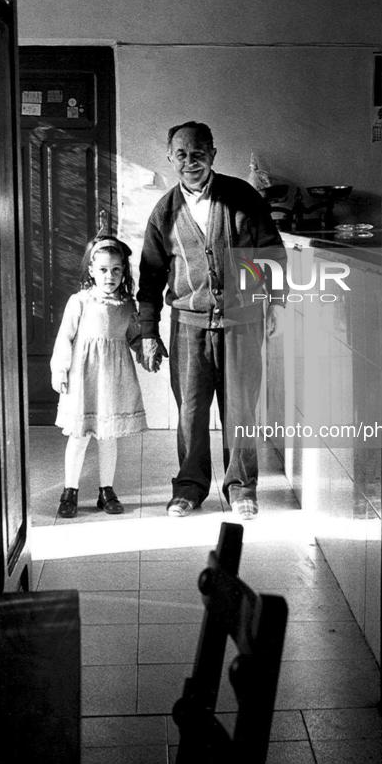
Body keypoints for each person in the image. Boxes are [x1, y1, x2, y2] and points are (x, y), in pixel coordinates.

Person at [137, 121, 286, 520]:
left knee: (241, 408)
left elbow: (272, 252)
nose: (191, 162)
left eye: (198, 153)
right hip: (188, 324)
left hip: (242, 322)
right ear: (171, 158)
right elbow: (149, 277)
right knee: (190, 411)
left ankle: (240, 488)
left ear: (213, 155)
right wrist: (148, 332)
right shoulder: (164, 212)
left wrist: (272, 305)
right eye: (182, 155)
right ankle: (189, 488)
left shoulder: (242, 197)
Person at [51, 235, 147, 518]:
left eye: (116, 270)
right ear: (91, 270)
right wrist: (60, 370)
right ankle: (70, 491)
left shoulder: (127, 305)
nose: (110, 276)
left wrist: (146, 350)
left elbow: (134, 337)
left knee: (108, 436)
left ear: (123, 272)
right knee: (79, 436)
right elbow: (64, 338)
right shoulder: (80, 301)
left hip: (114, 379)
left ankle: (107, 490)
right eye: (103, 269)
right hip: (84, 377)